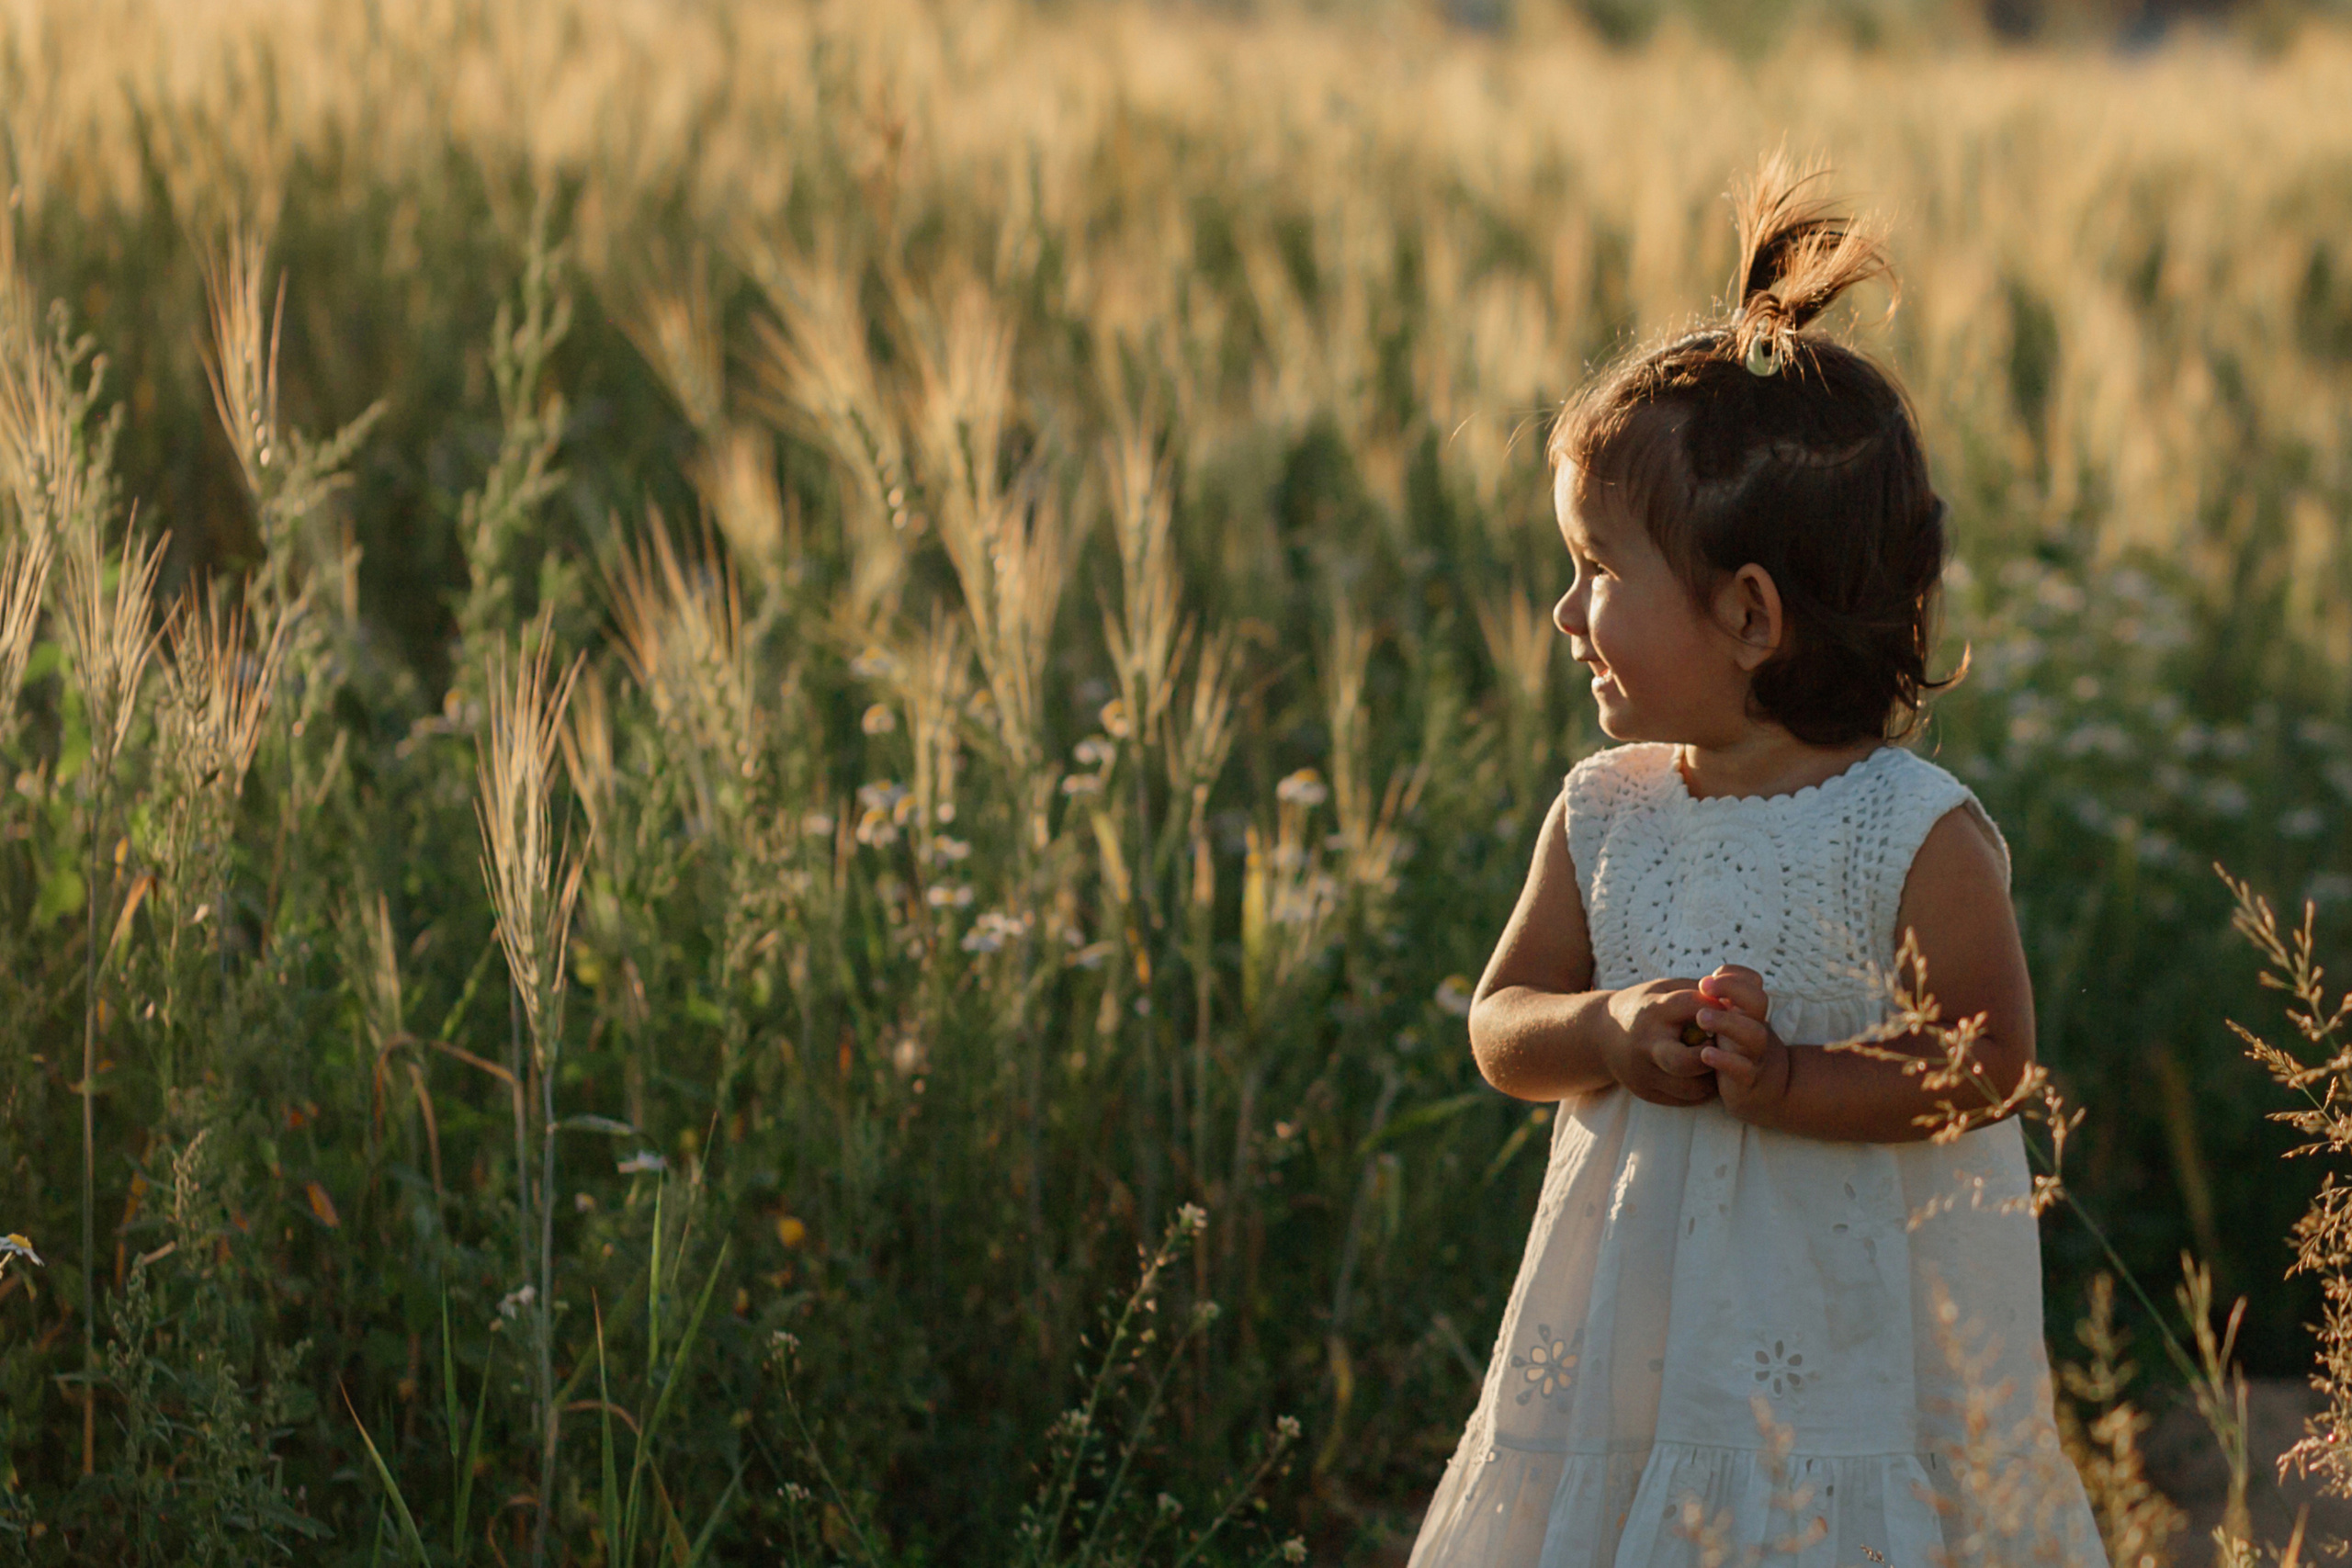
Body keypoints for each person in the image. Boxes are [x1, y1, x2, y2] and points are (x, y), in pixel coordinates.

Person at [1407, 157, 2105, 1567]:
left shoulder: (1915, 829)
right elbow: (1500, 1025)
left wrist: (1793, 1080)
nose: (1562, 610)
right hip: (1643, 1349)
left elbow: (1984, 1061)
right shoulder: (1603, 809)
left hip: (1852, 1350)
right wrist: (1602, 1029)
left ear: (1747, 615)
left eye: (1597, 566)